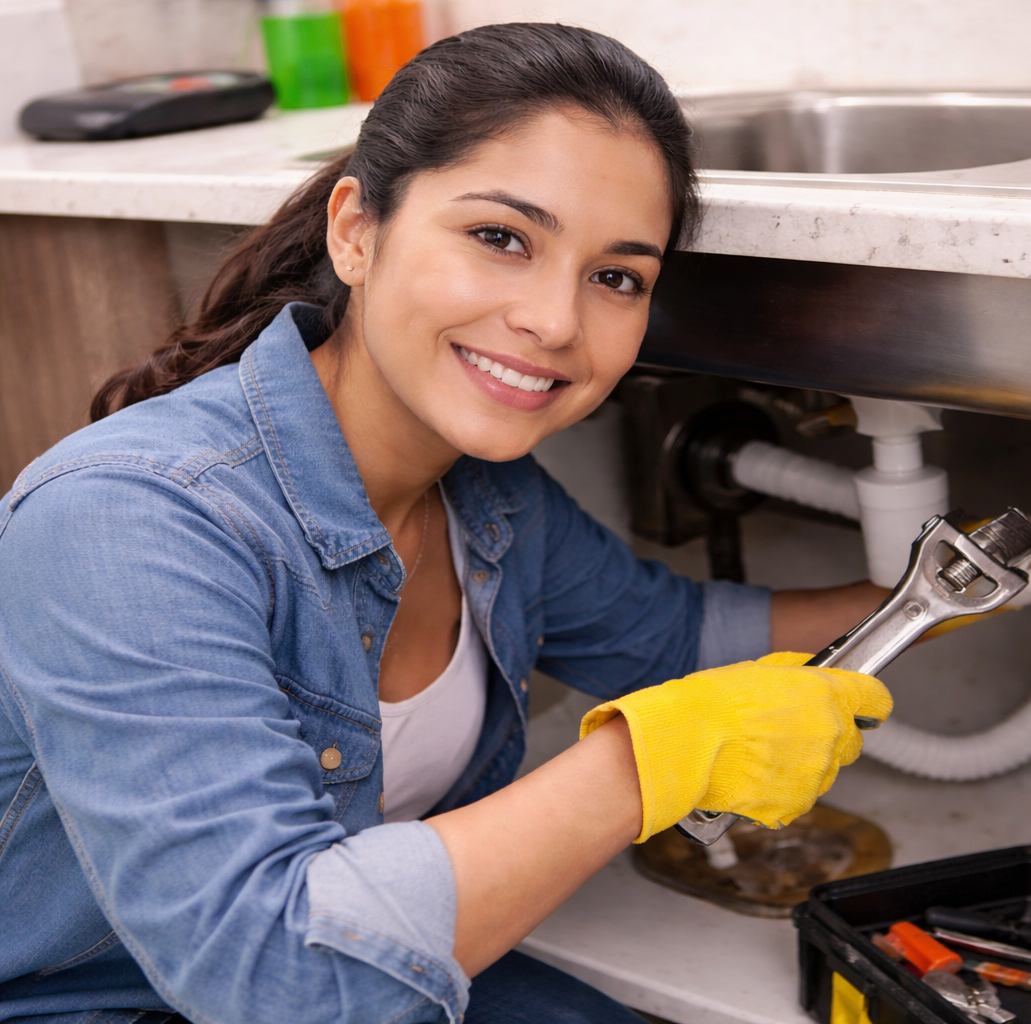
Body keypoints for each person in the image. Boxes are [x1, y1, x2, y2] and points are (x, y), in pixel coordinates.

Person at [0, 24, 893, 1024]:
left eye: (616, 277)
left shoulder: (489, 499)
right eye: (501, 238)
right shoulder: (128, 519)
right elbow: (266, 976)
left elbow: (677, 639)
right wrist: (641, 764)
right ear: (356, 232)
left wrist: (946, 592)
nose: (556, 321)